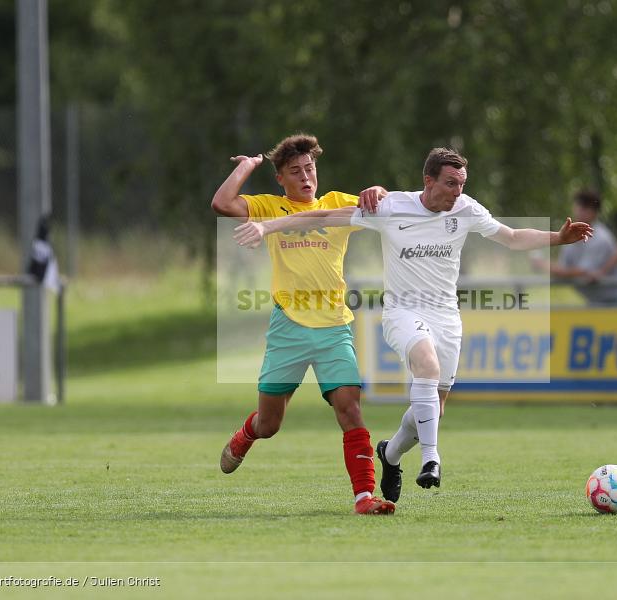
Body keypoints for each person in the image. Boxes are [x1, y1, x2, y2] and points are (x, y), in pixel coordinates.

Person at [233, 147, 592, 503]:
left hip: (446, 317)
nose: (457, 192)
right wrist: (266, 226)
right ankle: (431, 460)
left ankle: (390, 453)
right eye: (450, 183)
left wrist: (557, 238)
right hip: (402, 312)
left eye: (462, 184)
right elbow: (323, 216)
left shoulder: (466, 208)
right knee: (426, 367)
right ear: (428, 181)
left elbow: (511, 237)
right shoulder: (393, 207)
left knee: (434, 409)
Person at [209, 133, 395, 515]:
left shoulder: (336, 203)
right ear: (280, 178)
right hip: (288, 329)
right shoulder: (269, 207)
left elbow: (384, 205)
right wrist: (246, 167)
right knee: (269, 424)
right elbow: (222, 203)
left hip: (334, 327)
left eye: (310, 168)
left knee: (350, 409)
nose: (306, 177)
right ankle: (246, 434)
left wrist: (378, 191)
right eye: (295, 171)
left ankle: (364, 498)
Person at [531, 189, 617, 306]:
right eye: (579, 206)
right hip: (594, 302)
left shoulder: (601, 238)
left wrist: (543, 265)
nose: (580, 211)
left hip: (615, 301)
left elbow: (580, 272)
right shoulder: (570, 236)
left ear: (595, 212)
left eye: (586, 207)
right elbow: (564, 269)